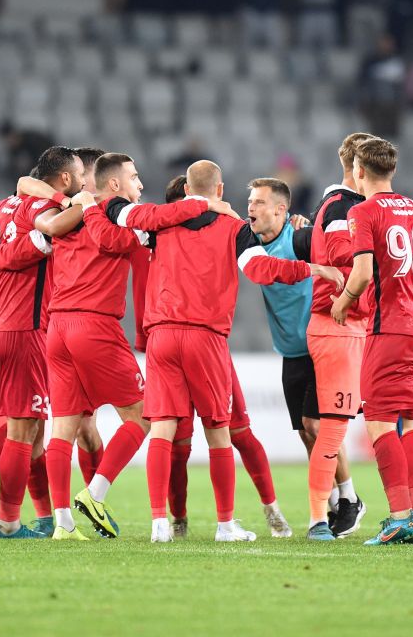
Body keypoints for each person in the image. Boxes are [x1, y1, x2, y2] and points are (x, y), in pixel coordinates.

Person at [108, 159, 342, 543]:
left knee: (163, 431)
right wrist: (312, 270)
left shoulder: (159, 224)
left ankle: (159, 524)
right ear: (220, 191)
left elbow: (118, 212)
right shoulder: (234, 230)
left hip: (162, 336)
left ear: (186, 192)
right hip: (205, 338)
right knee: (219, 432)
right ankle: (225, 524)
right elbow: (263, 270)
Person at [34, 153, 228, 540]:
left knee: (64, 426)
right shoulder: (113, 218)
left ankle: (62, 524)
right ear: (114, 185)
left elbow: (42, 223)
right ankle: (94, 493)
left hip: (57, 327)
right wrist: (205, 203)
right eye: (135, 178)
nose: (141, 185)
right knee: (145, 416)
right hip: (94, 325)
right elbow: (154, 222)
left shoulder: (68, 216)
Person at [330, 137, 413, 545]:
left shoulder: (362, 211)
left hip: (390, 330)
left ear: (360, 172)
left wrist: (344, 301)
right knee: (412, 420)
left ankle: (400, 516)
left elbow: (363, 272)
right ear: (392, 171)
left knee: (381, 422)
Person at [0, 146, 82, 539]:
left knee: (20, 425)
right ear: (63, 178)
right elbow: (51, 228)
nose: (81, 180)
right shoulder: (39, 211)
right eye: (78, 174)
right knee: (22, 432)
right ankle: (6, 520)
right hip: (24, 329)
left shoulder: (7, 206)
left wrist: (4, 248)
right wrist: (83, 205)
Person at [303, 132, 376, 541]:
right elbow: (352, 267)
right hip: (340, 322)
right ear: (361, 170)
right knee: (330, 428)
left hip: (339, 325)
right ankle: (320, 518)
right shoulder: (344, 210)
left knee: (323, 425)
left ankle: (344, 503)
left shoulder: (333, 206)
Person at [243, 177, 321, 539]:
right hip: (289, 350)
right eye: (250, 202)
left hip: (319, 345)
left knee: (319, 428)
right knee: (306, 434)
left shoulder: (301, 238)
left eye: (259, 202)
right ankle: (338, 497)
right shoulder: (251, 243)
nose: (251, 208)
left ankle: (343, 498)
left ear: (281, 210)